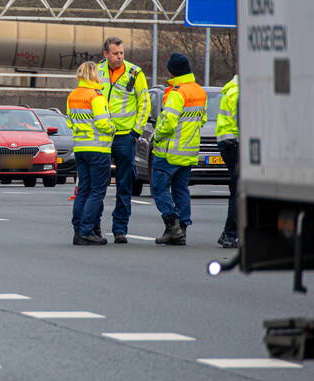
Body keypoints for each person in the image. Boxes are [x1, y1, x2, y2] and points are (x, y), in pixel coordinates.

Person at [96, 36, 150, 243]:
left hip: (124, 137)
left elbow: (144, 103)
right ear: (105, 54)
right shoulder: (96, 71)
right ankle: (95, 227)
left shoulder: (135, 73)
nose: (119, 57)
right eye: (115, 53)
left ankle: (120, 228)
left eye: (122, 53)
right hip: (101, 136)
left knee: (124, 184)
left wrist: (136, 132)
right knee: (98, 184)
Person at [151, 53, 208, 245]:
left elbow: (168, 123)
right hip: (189, 151)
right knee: (181, 190)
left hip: (169, 152)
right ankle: (182, 229)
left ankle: (172, 227)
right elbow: (203, 120)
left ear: (172, 71)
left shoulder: (176, 93)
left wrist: (156, 136)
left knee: (159, 189)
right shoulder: (199, 91)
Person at [67, 61, 115, 246]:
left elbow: (70, 122)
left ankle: (78, 230)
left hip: (80, 148)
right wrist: (113, 128)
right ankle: (87, 230)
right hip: (98, 148)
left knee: (83, 190)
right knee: (97, 191)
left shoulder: (73, 96)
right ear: (95, 75)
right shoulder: (97, 96)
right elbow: (103, 123)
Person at [215, 75, 239, 248]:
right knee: (239, 192)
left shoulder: (231, 89)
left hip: (227, 143)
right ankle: (231, 234)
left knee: (236, 190)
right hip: (236, 144)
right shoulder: (240, 93)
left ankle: (228, 233)